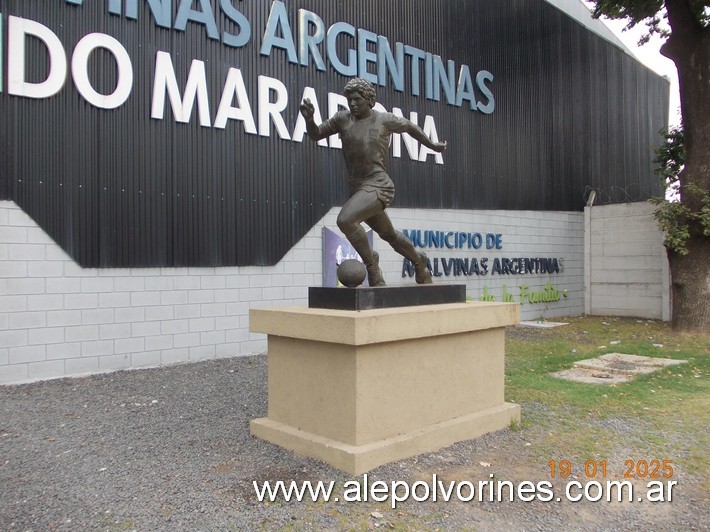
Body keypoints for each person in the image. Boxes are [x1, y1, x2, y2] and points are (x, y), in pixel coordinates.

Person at [300, 78, 447, 286]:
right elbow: (316, 135)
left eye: (357, 99)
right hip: (358, 188)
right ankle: (418, 260)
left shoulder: (384, 120)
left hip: (379, 184)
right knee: (389, 234)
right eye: (349, 99)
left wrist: (432, 145)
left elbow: (409, 127)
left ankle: (372, 266)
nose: (352, 104)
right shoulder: (342, 119)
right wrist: (309, 119)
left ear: (369, 100)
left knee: (345, 220)